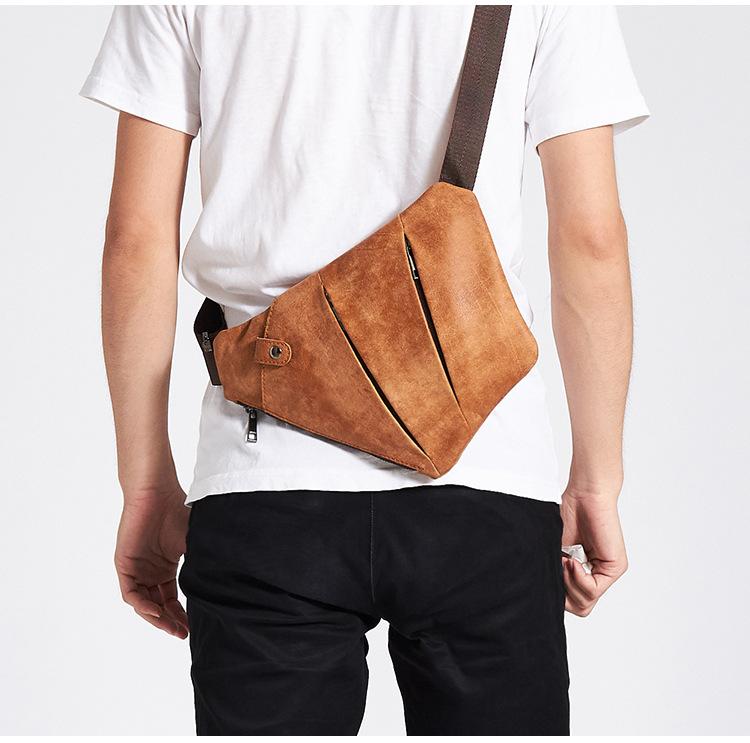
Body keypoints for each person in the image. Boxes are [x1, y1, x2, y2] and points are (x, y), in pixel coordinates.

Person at [81, 5, 648, 736]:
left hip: (265, 477)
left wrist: (146, 483)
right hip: (484, 473)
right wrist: (597, 479)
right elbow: (591, 238)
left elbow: (135, 239)